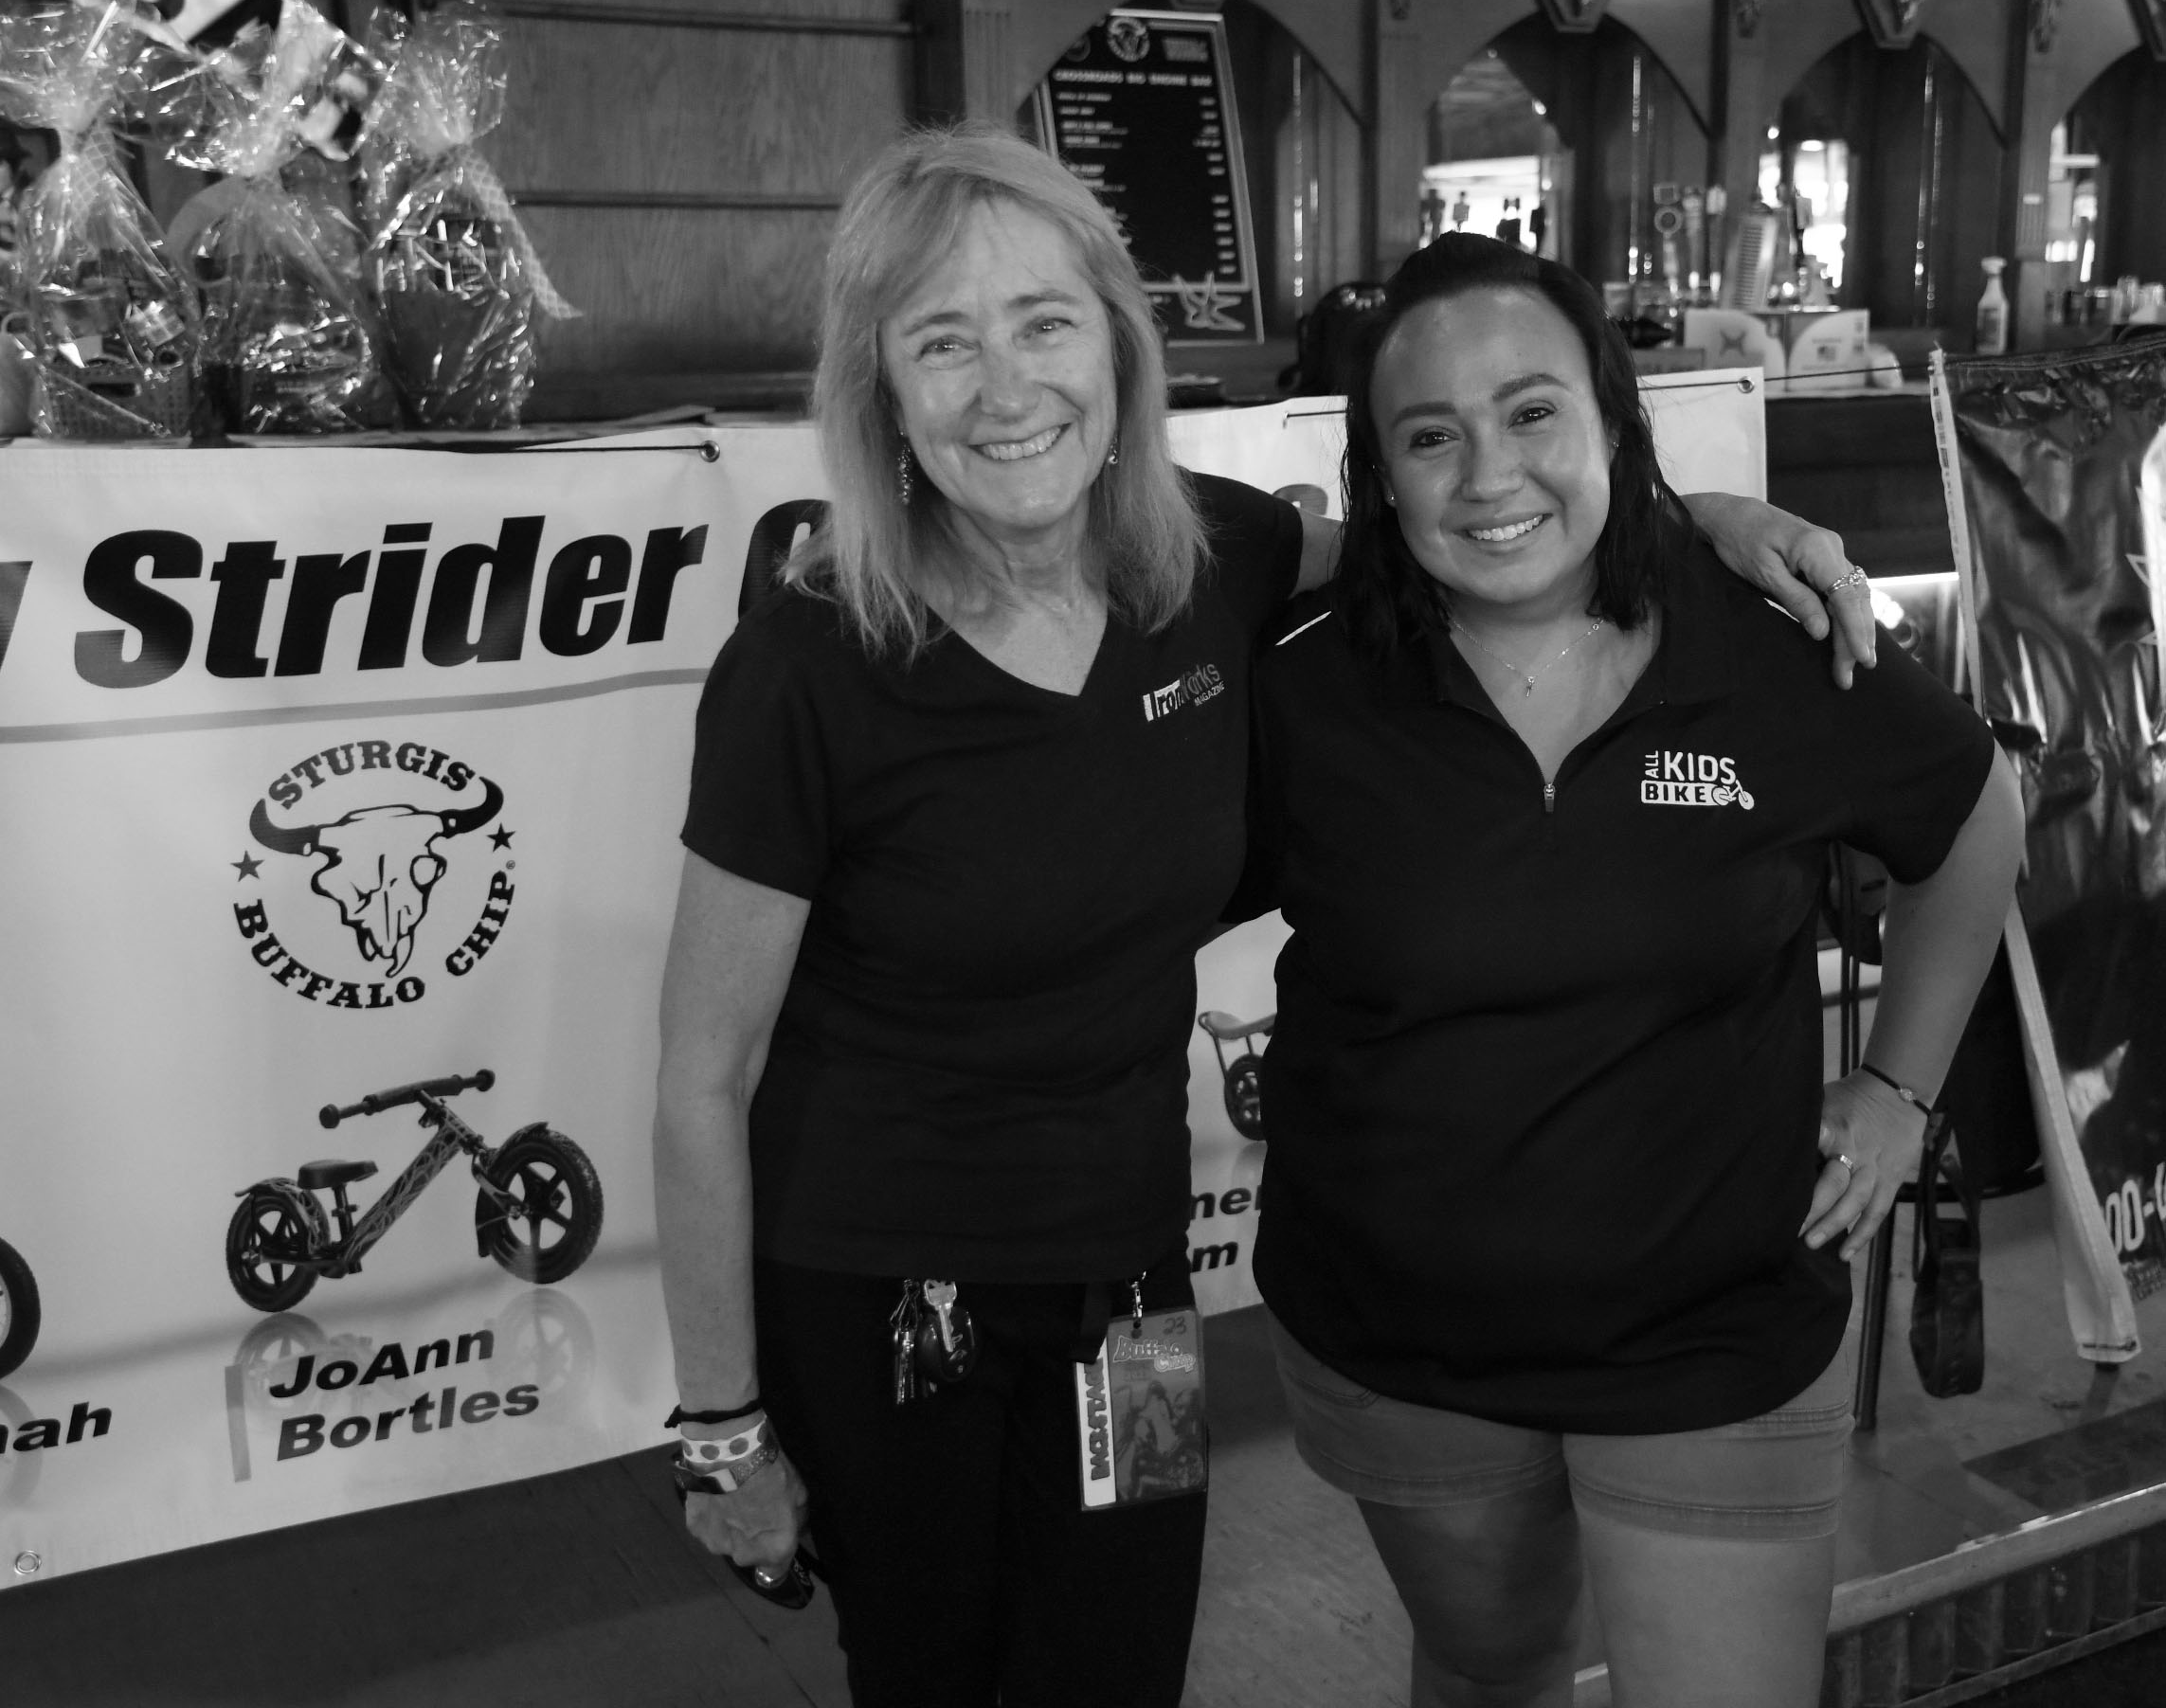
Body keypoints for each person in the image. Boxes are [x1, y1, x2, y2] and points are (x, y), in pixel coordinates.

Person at [650, 124, 1878, 1708]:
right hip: (890, 1311)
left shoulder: (1209, 554)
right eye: (941, 342)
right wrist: (721, 1428)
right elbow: (703, 1076)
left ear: (1115, 342)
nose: (1005, 389)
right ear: (878, 387)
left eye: (1042, 324)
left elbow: (1477, 536)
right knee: (938, 1676)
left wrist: (1696, 516)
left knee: (1123, 1662)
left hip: (1135, 1295)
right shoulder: (811, 663)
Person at [1236, 232, 2027, 1708]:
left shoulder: (1774, 642)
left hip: (1713, 1323)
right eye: (1429, 436)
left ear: (1611, 420)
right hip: (1399, 1336)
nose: (1489, 475)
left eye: (1531, 412)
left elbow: (1973, 811)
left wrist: (1896, 1090)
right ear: (1379, 475)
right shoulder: (1306, 682)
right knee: (1488, 1675)